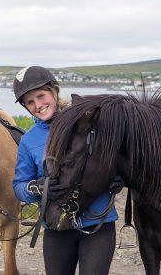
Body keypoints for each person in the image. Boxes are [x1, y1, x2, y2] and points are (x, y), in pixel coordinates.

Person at [12, 66, 118, 275]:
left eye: (41, 96)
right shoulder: (28, 140)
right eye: (30, 102)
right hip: (57, 228)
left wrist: (117, 176)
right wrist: (37, 188)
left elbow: (113, 157)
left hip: (97, 225)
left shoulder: (88, 123)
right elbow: (18, 186)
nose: (38, 105)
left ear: (55, 91)